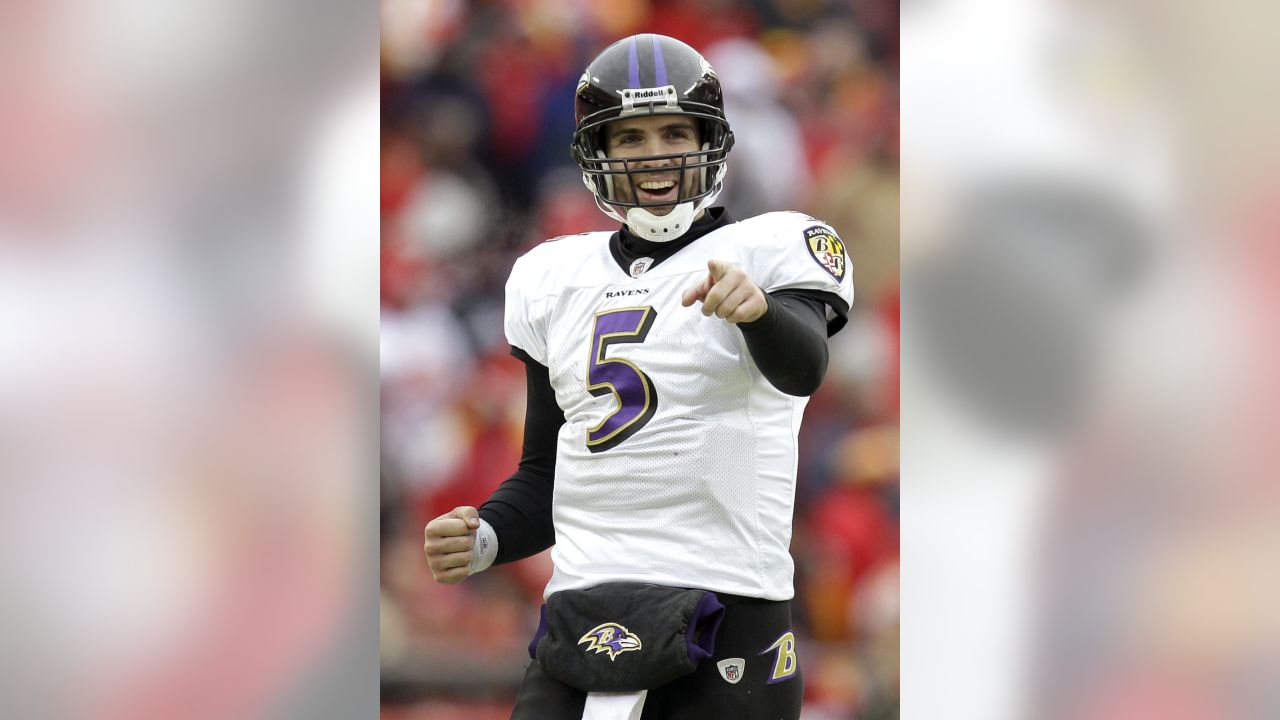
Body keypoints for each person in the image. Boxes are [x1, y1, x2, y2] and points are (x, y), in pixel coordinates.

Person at [423, 33, 854, 720]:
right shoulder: (550, 276)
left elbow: (804, 366)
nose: (655, 154)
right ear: (598, 154)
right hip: (582, 607)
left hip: (728, 603)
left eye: (674, 131)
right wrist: (489, 537)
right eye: (630, 138)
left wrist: (760, 313)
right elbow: (545, 474)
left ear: (710, 138)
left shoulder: (769, 248)